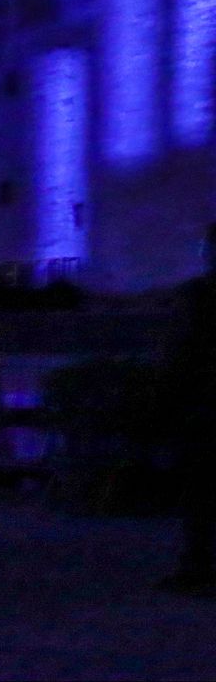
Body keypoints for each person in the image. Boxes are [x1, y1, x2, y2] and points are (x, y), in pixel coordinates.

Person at [161, 221, 216, 596]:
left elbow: (180, 352)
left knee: (200, 491)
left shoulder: (197, 296)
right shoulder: (195, 295)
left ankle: (198, 566)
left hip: (202, 406)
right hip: (201, 404)